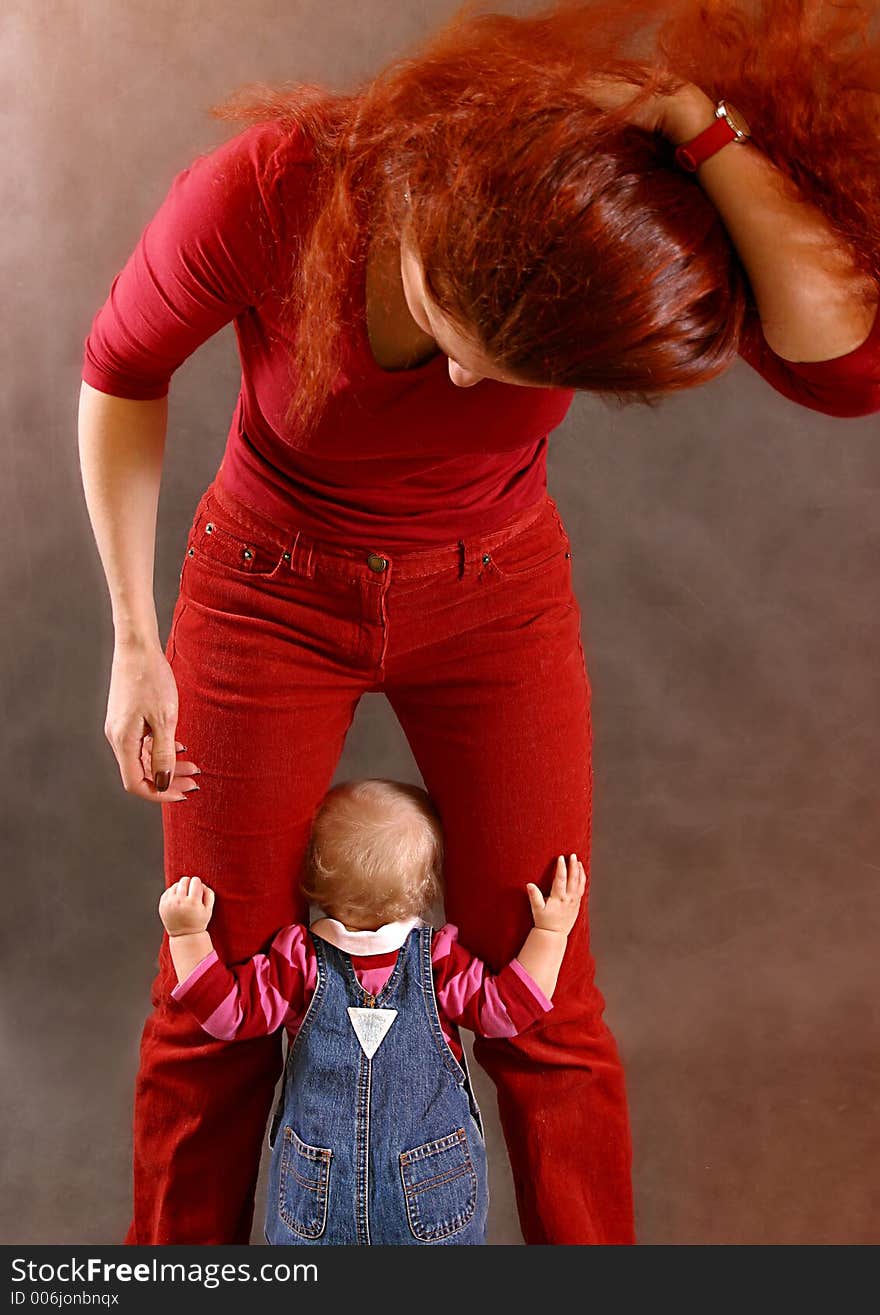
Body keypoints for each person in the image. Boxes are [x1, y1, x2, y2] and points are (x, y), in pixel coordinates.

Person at [79, 1, 880, 1246]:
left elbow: (846, 370)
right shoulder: (275, 189)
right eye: (454, 340)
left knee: (548, 995)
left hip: (493, 593)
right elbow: (122, 369)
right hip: (267, 588)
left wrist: (691, 124)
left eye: (515, 373)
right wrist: (135, 635)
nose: (463, 387)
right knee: (210, 996)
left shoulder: (591, 198)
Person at [158, 778, 586, 1245]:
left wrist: (188, 937)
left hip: (318, 1195)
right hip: (432, 1191)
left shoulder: (298, 960)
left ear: (312, 877)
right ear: (426, 885)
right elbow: (507, 1011)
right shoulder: (439, 959)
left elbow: (229, 1016)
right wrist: (551, 933)